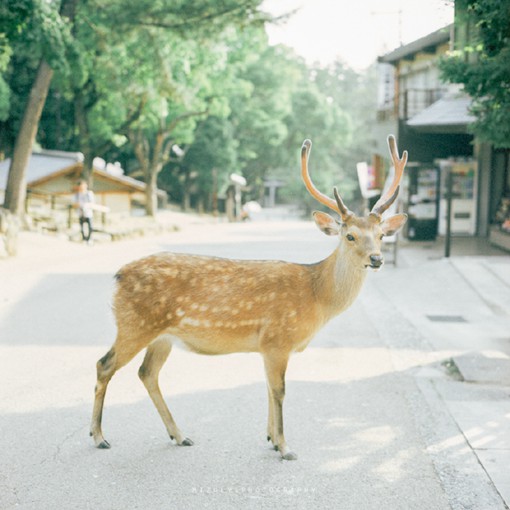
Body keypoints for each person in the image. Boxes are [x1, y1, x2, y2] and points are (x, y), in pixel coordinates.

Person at [74, 180, 95, 244]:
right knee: (82, 227)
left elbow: (92, 202)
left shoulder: (89, 193)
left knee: (90, 227)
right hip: (80, 213)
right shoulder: (77, 195)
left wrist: (86, 205)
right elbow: (75, 204)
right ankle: (84, 239)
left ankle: (89, 239)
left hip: (88, 212)